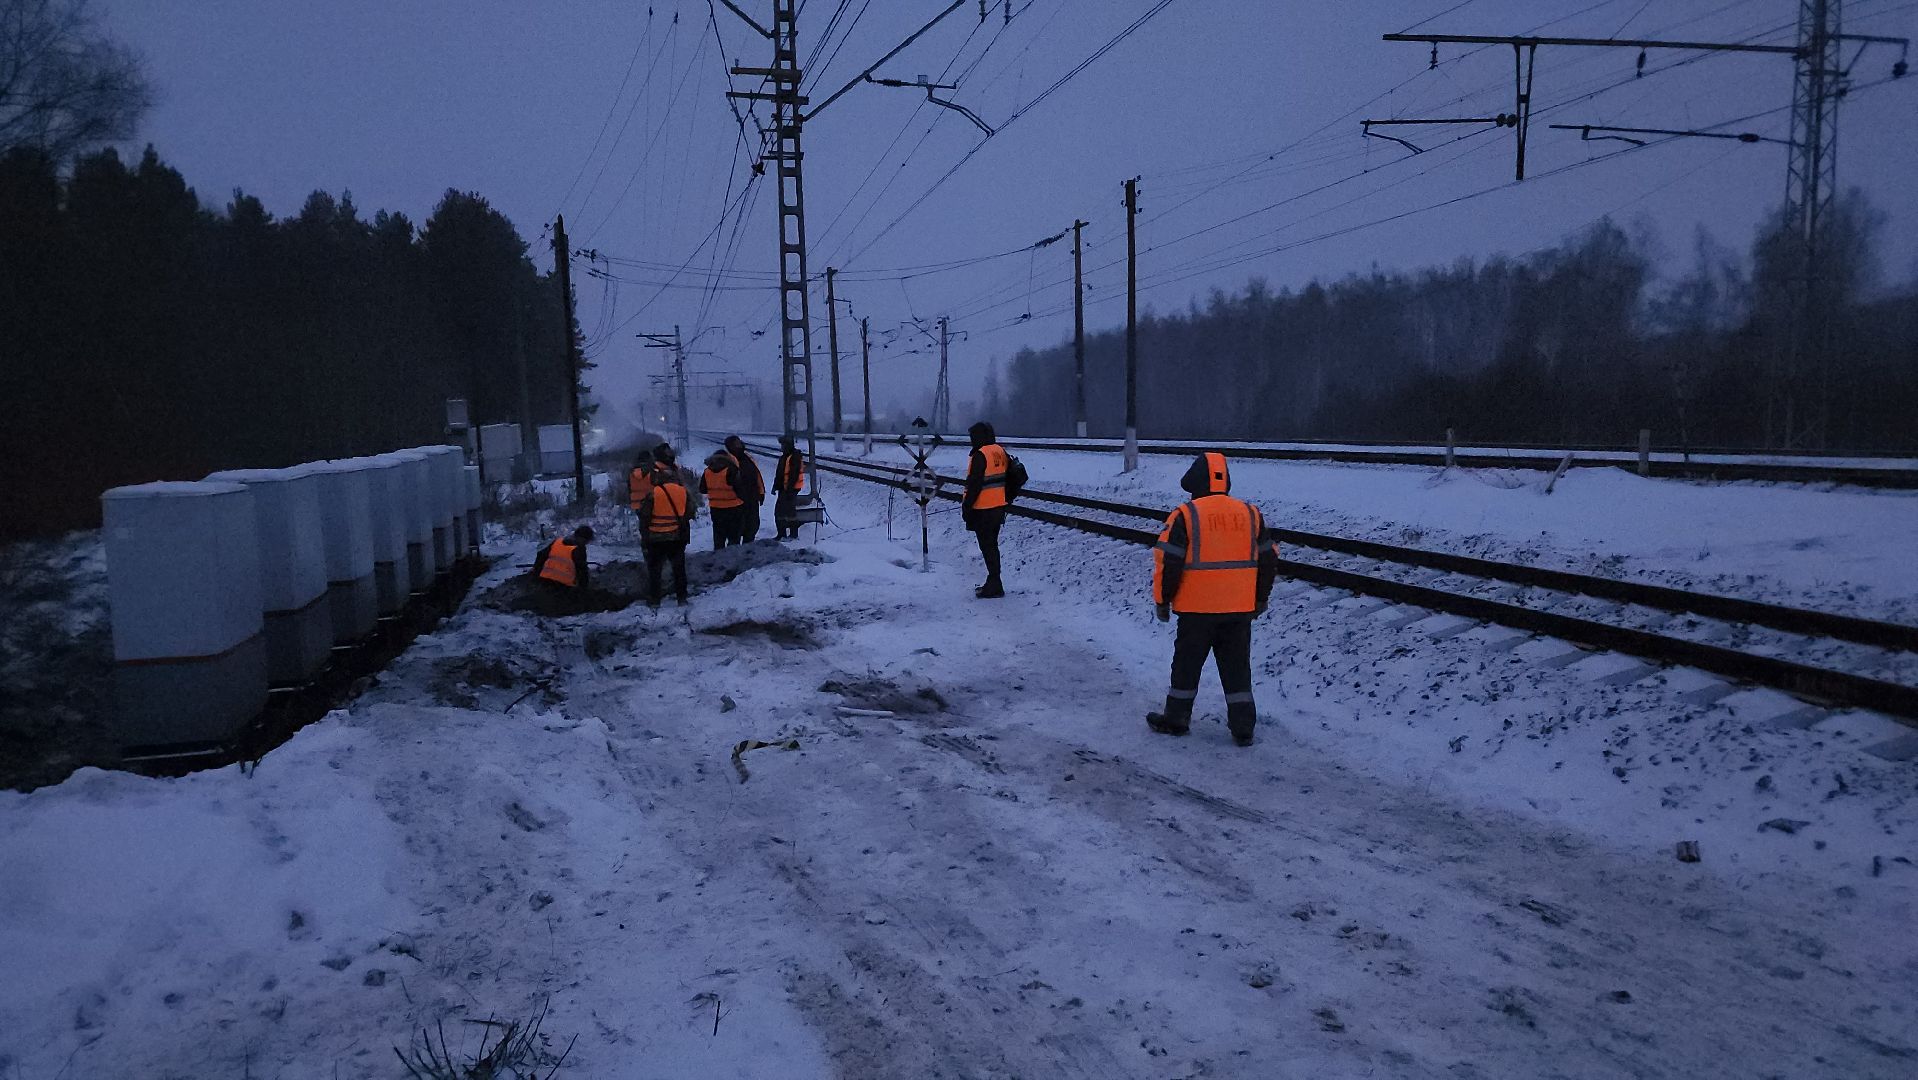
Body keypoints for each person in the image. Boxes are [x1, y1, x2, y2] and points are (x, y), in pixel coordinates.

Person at [1146, 452, 1280, 747]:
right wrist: (1260, 598)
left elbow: (1169, 562)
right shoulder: (1251, 514)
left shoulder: (1186, 515)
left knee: (1186, 666)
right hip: (1239, 610)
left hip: (1196, 610)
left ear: (1194, 482)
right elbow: (1268, 560)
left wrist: (1162, 600)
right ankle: (1243, 727)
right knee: (1237, 668)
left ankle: (1177, 719)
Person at [962, 421, 1011, 598]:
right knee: (992, 546)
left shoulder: (980, 455)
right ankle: (994, 581)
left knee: (987, 546)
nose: (971, 441)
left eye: (972, 437)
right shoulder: (999, 451)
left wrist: (966, 507)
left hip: (983, 509)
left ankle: (994, 584)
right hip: (998, 507)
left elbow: (974, 484)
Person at [639, 460, 696, 606]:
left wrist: (645, 536)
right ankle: (681, 598)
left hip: (656, 539)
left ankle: (655, 600)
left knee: (655, 571)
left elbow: (644, 517)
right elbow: (690, 512)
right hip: (677, 537)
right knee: (679, 569)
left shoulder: (653, 494)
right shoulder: (683, 491)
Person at [529, 525, 595, 615]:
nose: (587, 543)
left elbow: (541, 556)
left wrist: (535, 571)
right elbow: (582, 571)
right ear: (583, 538)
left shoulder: (557, 542)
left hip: (545, 580)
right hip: (563, 586)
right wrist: (584, 590)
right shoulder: (579, 549)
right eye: (587, 540)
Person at [724, 435, 767, 542]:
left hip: (752, 498)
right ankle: (735, 552)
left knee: (751, 527)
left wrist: (761, 493)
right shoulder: (728, 460)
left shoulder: (747, 457)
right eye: (736, 443)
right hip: (737, 501)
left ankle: (748, 550)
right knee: (736, 530)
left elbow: (756, 476)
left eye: (739, 442)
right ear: (730, 446)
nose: (740, 444)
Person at [700, 449, 746, 550]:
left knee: (719, 536)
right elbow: (740, 489)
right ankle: (732, 559)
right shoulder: (731, 470)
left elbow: (702, 489)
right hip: (734, 508)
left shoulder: (707, 471)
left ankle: (718, 557)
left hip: (716, 509)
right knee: (734, 537)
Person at [772, 435, 805, 540]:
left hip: (790, 489)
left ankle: (792, 534)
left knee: (787, 512)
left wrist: (789, 490)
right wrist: (775, 487)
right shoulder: (784, 457)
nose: (781, 447)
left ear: (788, 445)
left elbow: (793, 475)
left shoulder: (794, 457)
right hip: (784, 489)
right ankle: (783, 534)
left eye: (783, 445)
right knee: (782, 512)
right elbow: (780, 474)